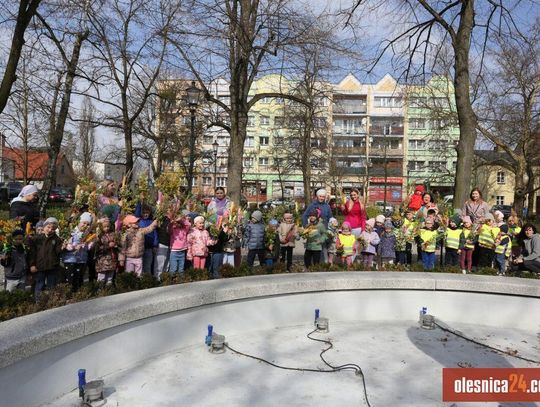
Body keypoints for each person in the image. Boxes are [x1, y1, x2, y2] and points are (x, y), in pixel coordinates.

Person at [28, 217, 63, 298]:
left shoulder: (56, 239)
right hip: (40, 266)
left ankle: (51, 300)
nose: (50, 230)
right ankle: (38, 301)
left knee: (51, 286)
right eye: (48, 227)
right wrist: (32, 264)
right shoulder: (37, 238)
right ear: (44, 227)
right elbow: (32, 253)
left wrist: (62, 248)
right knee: (39, 285)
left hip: (52, 266)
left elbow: (57, 252)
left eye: (53, 229)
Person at [62, 212, 94, 292]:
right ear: (79, 222)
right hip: (70, 259)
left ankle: (78, 294)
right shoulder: (72, 231)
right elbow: (66, 244)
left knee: (79, 278)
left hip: (82, 259)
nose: (85, 225)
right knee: (70, 279)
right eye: (84, 223)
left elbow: (88, 248)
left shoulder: (88, 235)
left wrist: (90, 244)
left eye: (88, 224)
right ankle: (69, 294)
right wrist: (73, 247)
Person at [94, 217, 119, 284]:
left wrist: (116, 245)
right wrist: (108, 246)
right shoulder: (99, 236)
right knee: (101, 278)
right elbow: (97, 248)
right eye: (104, 227)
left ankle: (109, 289)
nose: (107, 228)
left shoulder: (113, 234)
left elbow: (118, 243)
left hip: (112, 260)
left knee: (110, 278)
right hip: (102, 260)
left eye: (108, 226)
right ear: (101, 227)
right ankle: (100, 289)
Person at [135, 204, 159, 275]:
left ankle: (147, 278)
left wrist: (155, 245)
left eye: (147, 213)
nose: (145, 214)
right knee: (140, 266)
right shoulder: (139, 221)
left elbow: (155, 234)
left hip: (149, 248)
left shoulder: (152, 222)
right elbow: (137, 212)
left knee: (148, 265)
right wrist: (139, 202)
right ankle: (140, 279)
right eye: (144, 213)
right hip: (140, 248)